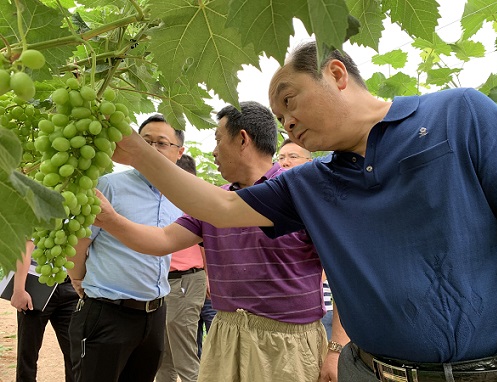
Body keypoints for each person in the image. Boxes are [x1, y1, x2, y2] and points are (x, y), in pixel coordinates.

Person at [107, 40, 497, 382]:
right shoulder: (310, 182)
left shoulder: (458, 114)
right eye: (280, 118)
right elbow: (220, 206)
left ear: (336, 74)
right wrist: (137, 153)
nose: (288, 123)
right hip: (367, 371)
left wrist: (332, 347)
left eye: (289, 100)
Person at [94, 101, 348, 382]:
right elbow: (162, 239)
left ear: (242, 139)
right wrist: (109, 220)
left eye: (217, 139)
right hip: (225, 335)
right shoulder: (212, 202)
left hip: (287, 346)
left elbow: (344, 276)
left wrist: (336, 349)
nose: (214, 151)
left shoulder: (299, 192)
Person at [67, 114, 184, 382]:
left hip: (154, 316)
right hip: (108, 313)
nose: (152, 150)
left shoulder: (180, 196)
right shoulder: (109, 186)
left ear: (179, 152)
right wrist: (78, 278)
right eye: (146, 142)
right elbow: (79, 242)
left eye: (162, 143)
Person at [156, 154, 207, 382]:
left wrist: (211, 279)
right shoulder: (160, 201)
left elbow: (207, 244)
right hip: (161, 283)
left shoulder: (195, 202)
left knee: (184, 356)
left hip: (186, 280)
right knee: (163, 357)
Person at [277, 139, 334, 339]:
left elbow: (332, 255)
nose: (285, 163)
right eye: (281, 158)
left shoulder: (321, 202)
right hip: (283, 309)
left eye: (293, 157)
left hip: (318, 303)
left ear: (310, 162)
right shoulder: (274, 206)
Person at [10, 240, 78, 382]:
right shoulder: (39, 217)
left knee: (74, 353)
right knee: (28, 351)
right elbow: (25, 248)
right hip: (37, 285)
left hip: (68, 285)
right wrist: (19, 290)